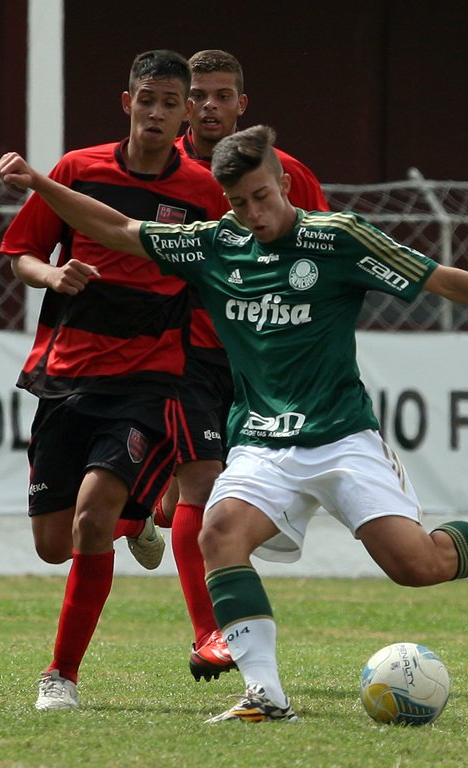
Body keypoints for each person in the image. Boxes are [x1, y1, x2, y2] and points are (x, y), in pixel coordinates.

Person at [0, 125, 468, 723]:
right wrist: (39, 184)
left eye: (262, 197)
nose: (253, 213)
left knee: (415, 566)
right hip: (264, 442)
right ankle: (265, 696)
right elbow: (117, 226)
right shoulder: (217, 243)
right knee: (219, 533)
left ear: (283, 185)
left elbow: (445, 281)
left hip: (342, 437)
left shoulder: (338, 238)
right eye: (238, 202)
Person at [0, 50, 227, 712]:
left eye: (170, 103)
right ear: (127, 102)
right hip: (69, 376)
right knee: (54, 545)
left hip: (151, 379)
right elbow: (20, 255)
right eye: (146, 99)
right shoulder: (77, 171)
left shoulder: (204, 193)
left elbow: (216, 273)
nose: (156, 112)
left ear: (187, 115)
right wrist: (54, 276)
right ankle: (138, 521)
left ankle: (60, 675)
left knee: (93, 516)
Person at [156, 49, 329, 682]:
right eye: (197, 94)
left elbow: (325, 250)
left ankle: (155, 501)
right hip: (188, 352)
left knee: (207, 496)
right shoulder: (162, 172)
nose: (208, 106)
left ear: (241, 105)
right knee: (201, 487)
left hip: (265, 361)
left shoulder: (290, 174)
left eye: (221, 95)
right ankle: (213, 634)